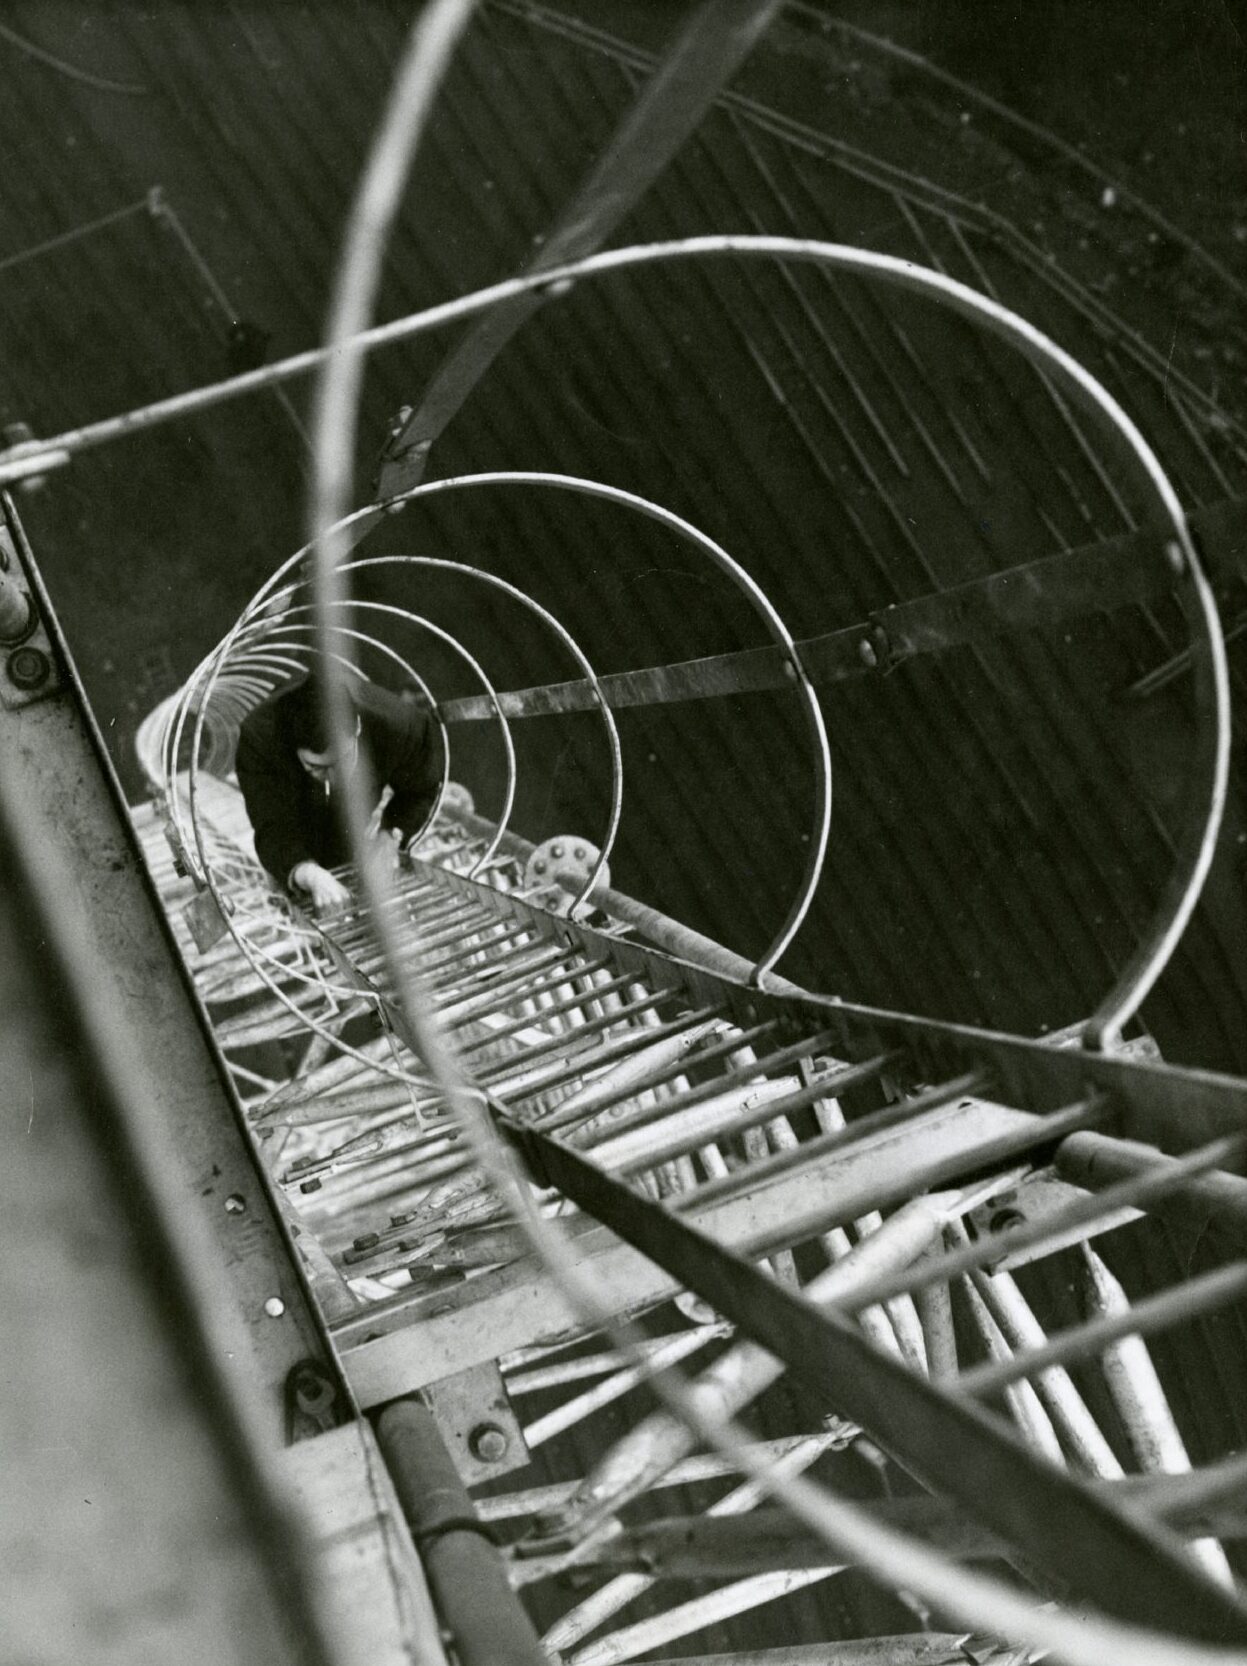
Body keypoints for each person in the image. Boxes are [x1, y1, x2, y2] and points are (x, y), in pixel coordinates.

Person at [235, 671, 443, 913]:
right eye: (315, 767)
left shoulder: (399, 726)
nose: (334, 778)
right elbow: (271, 826)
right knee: (294, 884)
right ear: (294, 751)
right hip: (299, 816)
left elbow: (420, 790)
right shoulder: (259, 742)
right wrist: (306, 872)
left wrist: (390, 836)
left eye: (341, 761)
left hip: (354, 818)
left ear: (357, 729)